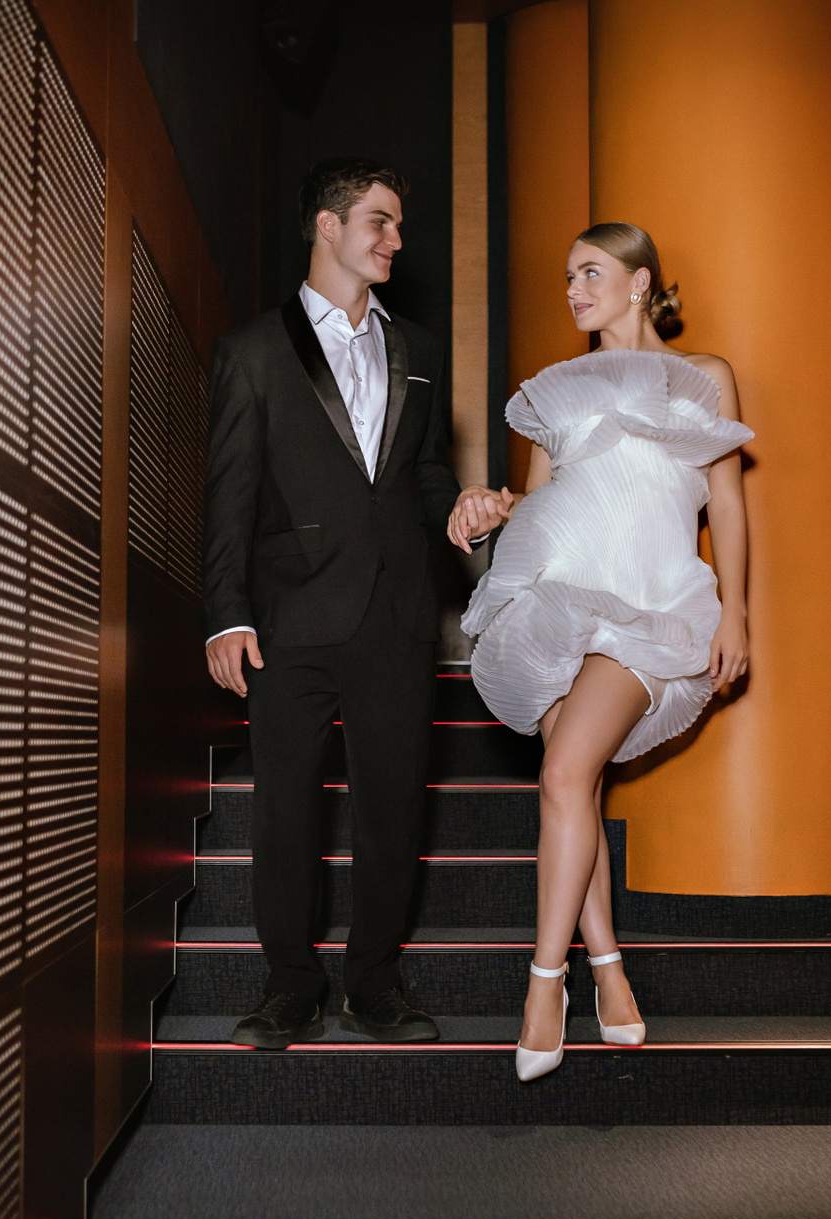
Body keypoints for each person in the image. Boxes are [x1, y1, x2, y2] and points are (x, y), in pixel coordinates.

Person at [451, 223, 752, 1081]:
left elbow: (727, 503)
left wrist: (736, 613)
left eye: (590, 272)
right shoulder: (557, 389)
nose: (573, 290)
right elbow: (536, 505)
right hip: (558, 603)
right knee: (573, 784)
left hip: (652, 609)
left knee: (562, 773)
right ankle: (610, 972)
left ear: (639, 281)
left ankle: (544, 985)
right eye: (568, 276)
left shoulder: (705, 375)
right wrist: (487, 507)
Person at [203, 157, 493, 1048]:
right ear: (328, 227)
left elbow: (425, 474)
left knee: (393, 808)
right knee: (285, 811)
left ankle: (375, 985)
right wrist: (226, 612)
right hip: (286, 620)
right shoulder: (254, 350)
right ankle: (289, 986)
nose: (396, 240)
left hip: (397, 614)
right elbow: (228, 494)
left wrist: (460, 508)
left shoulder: (422, 351)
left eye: (397, 224)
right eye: (380, 221)